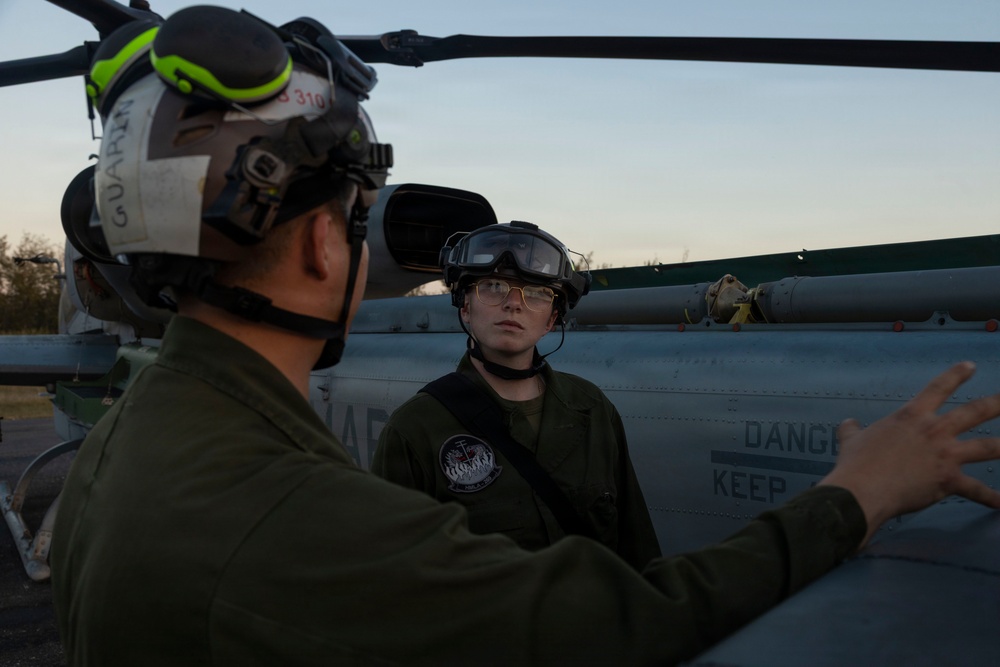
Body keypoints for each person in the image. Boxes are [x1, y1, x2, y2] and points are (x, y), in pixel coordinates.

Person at [51, 6, 1000, 667]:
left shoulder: (131, 445)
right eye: (353, 218)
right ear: (314, 243)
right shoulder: (292, 514)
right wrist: (859, 493)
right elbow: (625, 622)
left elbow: (631, 549)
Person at [371, 221, 662, 569]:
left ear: (552, 319)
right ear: (465, 306)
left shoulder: (592, 409)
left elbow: (637, 551)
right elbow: (389, 577)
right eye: (494, 286)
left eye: (536, 293)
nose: (514, 304)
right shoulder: (416, 429)